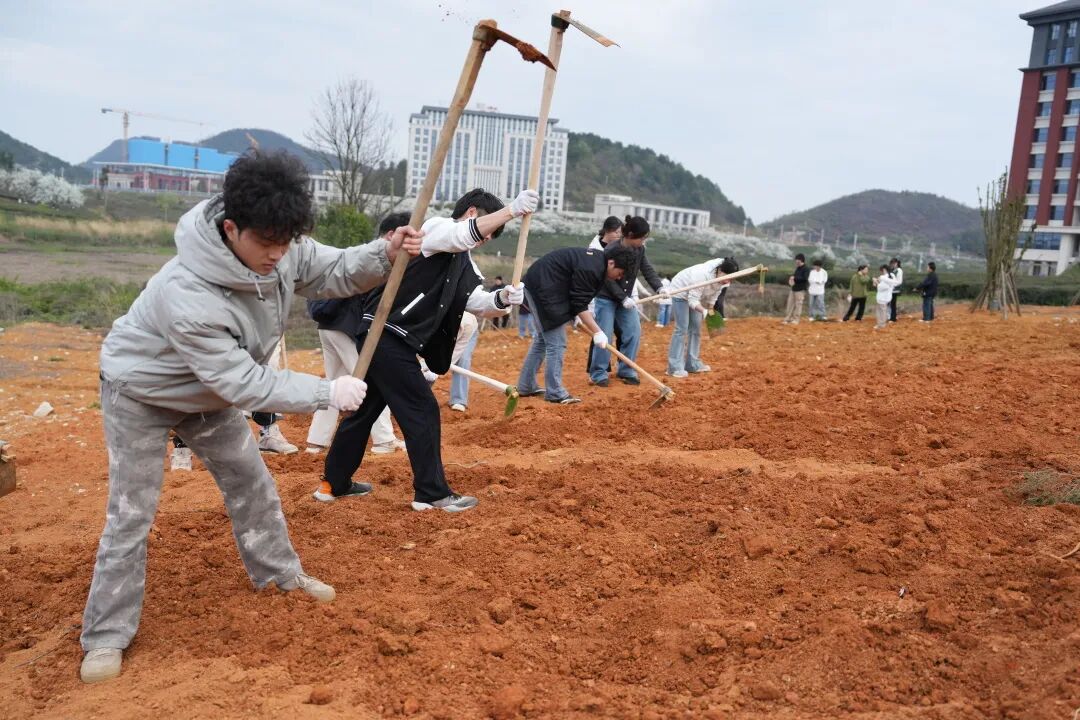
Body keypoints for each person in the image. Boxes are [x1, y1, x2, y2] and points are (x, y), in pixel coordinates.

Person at [79, 150, 421, 684]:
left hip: (207, 394)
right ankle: (105, 635)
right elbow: (242, 381)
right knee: (132, 511)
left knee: (251, 481)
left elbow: (331, 269)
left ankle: (280, 575)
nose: (278, 255)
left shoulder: (280, 243)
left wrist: (385, 251)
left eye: (286, 243)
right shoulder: (186, 293)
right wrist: (327, 391)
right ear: (231, 227)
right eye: (266, 244)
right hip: (142, 391)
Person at [316, 187, 535, 512]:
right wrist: (512, 211)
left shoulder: (464, 261)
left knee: (364, 412)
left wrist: (504, 298)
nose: (488, 240)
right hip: (384, 334)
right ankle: (430, 492)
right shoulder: (436, 230)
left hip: (391, 340)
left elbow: (476, 301)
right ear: (473, 213)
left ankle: (333, 484)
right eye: (490, 231)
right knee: (423, 410)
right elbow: (463, 235)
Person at [304, 212, 412, 456]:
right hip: (346, 329)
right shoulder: (377, 260)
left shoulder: (359, 255)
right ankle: (384, 440)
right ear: (392, 235)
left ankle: (316, 441)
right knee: (372, 381)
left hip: (329, 327)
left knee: (334, 383)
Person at [517, 244, 636, 403]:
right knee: (557, 343)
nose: (620, 277)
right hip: (543, 290)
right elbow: (579, 303)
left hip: (544, 286)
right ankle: (555, 392)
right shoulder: (592, 268)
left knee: (542, 341)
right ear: (612, 263)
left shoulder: (598, 265)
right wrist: (597, 331)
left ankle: (526, 385)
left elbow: (579, 296)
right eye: (620, 273)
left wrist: (577, 315)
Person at [588, 216, 663, 387]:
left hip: (627, 299)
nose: (643, 241)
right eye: (642, 237)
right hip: (606, 297)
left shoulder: (640, 250)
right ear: (629, 234)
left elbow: (646, 269)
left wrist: (659, 287)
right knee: (604, 335)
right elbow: (607, 278)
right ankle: (598, 373)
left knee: (633, 331)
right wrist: (621, 298)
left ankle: (626, 369)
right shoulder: (610, 250)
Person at [666, 257, 738, 378]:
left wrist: (710, 312)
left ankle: (692, 364)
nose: (728, 281)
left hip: (695, 296)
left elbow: (713, 297)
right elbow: (692, 300)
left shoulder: (724, 278)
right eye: (726, 277)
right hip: (680, 291)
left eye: (731, 278)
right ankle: (674, 368)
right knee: (681, 328)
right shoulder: (702, 275)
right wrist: (703, 311)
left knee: (696, 328)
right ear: (719, 271)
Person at [448, 313, 480, 412]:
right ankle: (416, 397)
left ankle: (459, 399)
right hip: (440, 326)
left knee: (463, 359)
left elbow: (455, 355)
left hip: (466, 327)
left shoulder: (468, 323)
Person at [781, 253, 809, 324]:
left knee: (798, 305)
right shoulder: (797, 268)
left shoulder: (806, 269)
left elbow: (805, 279)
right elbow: (796, 277)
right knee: (790, 304)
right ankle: (788, 318)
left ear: (801, 260)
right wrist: (792, 279)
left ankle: (796, 319)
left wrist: (795, 278)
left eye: (797, 260)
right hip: (794, 288)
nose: (796, 262)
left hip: (800, 290)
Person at [872, 264, 899, 330]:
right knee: (882, 311)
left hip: (883, 297)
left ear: (884, 270)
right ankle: (880, 324)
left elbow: (882, 287)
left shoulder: (885, 277)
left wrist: (877, 282)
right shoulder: (890, 276)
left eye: (881, 270)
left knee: (881, 311)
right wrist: (875, 282)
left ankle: (881, 325)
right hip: (885, 297)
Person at [888, 258, 903, 322]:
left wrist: (893, 285)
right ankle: (891, 316)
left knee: (893, 303)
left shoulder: (899, 270)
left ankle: (893, 318)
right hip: (891, 289)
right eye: (892, 263)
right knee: (890, 303)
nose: (892, 265)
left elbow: (899, 281)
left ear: (897, 263)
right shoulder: (893, 270)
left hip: (895, 289)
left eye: (894, 263)